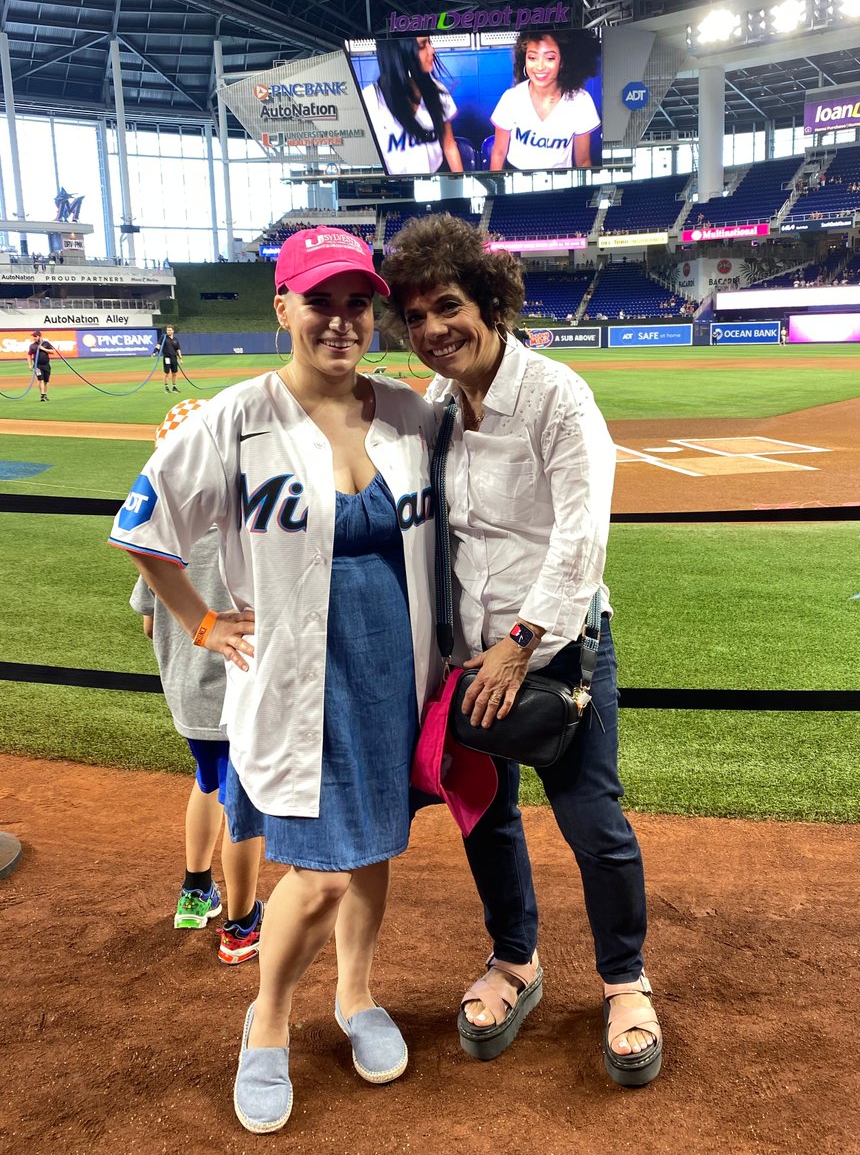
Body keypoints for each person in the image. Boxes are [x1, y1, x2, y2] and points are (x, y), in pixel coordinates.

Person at [109, 226, 438, 1134]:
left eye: (356, 302)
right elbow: (143, 527)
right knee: (319, 874)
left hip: (390, 674)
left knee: (372, 850)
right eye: (320, 300)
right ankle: (267, 1024)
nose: (341, 320)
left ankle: (357, 997)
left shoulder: (409, 414)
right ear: (283, 307)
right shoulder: (234, 418)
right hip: (297, 683)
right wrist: (200, 621)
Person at [381, 213, 662, 1088]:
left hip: (555, 652)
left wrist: (519, 645)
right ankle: (514, 961)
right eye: (418, 316)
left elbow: (581, 537)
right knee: (487, 819)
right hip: (467, 654)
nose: (434, 331)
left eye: (451, 306)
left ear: (491, 301)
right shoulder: (434, 407)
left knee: (593, 822)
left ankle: (625, 981)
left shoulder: (555, 395)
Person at [131, 399, 265, 962]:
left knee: (207, 783)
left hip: (188, 695)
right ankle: (239, 925)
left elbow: (147, 621)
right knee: (245, 807)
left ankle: (194, 890)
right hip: (238, 692)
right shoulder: (247, 529)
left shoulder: (164, 537)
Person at [489, 29, 600, 171]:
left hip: (561, 185)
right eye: (532, 58)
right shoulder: (511, 98)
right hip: (516, 182)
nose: (540, 67)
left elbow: (583, 161)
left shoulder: (581, 101)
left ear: (562, 61)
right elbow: (498, 153)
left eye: (550, 58)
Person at [361, 36, 463, 176]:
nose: (431, 50)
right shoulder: (370, 100)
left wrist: (462, 181)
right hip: (397, 190)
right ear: (399, 53)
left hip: (436, 182)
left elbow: (449, 145)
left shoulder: (438, 90)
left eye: (429, 43)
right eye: (422, 46)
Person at [155, 325, 183, 393]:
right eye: (167, 330)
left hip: (174, 358)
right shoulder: (163, 337)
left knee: (174, 373)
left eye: (170, 330)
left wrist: (180, 358)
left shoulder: (176, 340)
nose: (168, 331)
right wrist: (154, 351)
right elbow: (158, 345)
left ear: (173, 331)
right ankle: (166, 387)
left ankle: (174, 387)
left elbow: (178, 349)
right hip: (167, 357)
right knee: (167, 373)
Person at [27, 329, 54, 402]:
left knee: (46, 381)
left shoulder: (46, 343)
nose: (34, 338)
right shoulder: (32, 346)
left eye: (35, 336)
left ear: (39, 336)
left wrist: (43, 349)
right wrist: (30, 365)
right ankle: (42, 395)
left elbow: (52, 352)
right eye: (33, 336)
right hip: (37, 366)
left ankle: (45, 394)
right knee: (40, 380)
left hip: (46, 365)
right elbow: (29, 355)